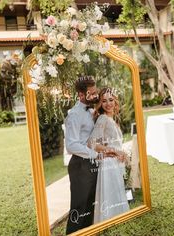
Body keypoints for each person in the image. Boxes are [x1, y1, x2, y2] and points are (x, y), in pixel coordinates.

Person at [65, 76, 113, 234]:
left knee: (91, 203)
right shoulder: (74, 114)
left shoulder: (93, 110)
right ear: (80, 94)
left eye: (95, 92)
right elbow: (71, 145)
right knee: (79, 206)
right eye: (91, 93)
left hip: (92, 162)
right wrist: (94, 154)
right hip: (80, 165)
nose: (95, 96)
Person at [88, 87, 130, 224]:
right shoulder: (102, 118)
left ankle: (118, 223)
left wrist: (122, 153)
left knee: (116, 197)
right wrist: (114, 151)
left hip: (115, 163)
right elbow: (91, 143)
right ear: (100, 103)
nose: (108, 103)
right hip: (109, 164)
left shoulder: (113, 118)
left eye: (111, 100)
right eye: (104, 101)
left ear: (115, 101)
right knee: (110, 199)